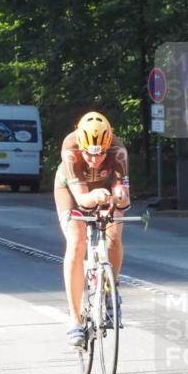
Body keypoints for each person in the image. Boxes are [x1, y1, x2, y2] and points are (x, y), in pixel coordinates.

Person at [54, 112, 131, 348]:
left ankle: (110, 289)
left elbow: (125, 199)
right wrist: (94, 196)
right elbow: (81, 198)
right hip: (71, 191)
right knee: (77, 243)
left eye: (100, 155)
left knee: (114, 238)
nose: (94, 160)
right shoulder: (70, 148)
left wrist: (119, 196)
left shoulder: (118, 151)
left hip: (105, 190)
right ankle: (75, 320)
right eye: (89, 154)